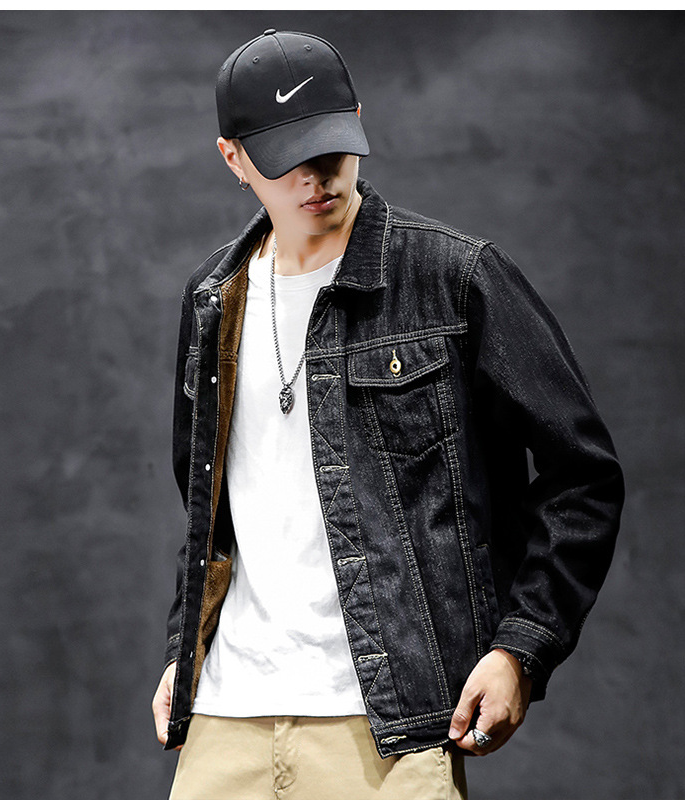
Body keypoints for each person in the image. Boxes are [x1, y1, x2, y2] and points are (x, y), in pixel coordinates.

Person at [151, 29, 624, 800]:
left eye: (332, 145)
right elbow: (208, 515)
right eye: (287, 156)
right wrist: (185, 649)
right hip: (226, 719)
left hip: (388, 730)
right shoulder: (213, 299)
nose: (318, 175)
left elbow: (584, 477)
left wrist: (521, 648)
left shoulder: (455, 278)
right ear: (233, 159)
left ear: (359, 122)